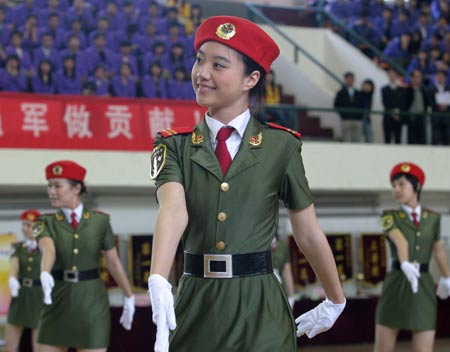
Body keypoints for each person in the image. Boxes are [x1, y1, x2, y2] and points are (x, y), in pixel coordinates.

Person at [148, 15, 345, 352]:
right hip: (198, 300)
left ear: (251, 78)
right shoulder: (173, 145)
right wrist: (158, 276)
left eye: (218, 65)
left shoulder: (281, 146)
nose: (202, 73)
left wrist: (335, 299)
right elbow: (173, 210)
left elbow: (308, 232)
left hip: (260, 304)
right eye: (200, 60)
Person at [33, 160, 135, 351]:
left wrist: (129, 296)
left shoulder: (100, 221)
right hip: (57, 299)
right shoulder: (45, 222)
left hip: (92, 302)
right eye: (49, 185)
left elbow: (112, 262)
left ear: (76, 188)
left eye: (57, 185)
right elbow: (48, 249)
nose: (51, 191)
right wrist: (45, 271)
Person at [374, 162, 450, 352]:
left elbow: (438, 249)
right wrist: (406, 263)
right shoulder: (389, 216)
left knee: (424, 348)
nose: (396, 190)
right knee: (383, 348)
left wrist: (447, 276)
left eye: (401, 184)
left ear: (416, 186)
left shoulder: (433, 219)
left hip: (423, 284)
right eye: (393, 186)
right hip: (397, 281)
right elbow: (400, 240)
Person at [6, 210, 43, 352]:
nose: (25, 228)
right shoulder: (18, 247)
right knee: (10, 345)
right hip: (20, 295)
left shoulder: (46, 248)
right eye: (24, 224)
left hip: (39, 296)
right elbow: (14, 264)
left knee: (38, 346)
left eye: (29, 225)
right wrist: (12, 278)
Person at [334, 71, 362, 142]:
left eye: (351, 78)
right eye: (348, 78)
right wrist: (343, 115)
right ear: (345, 80)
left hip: (357, 120)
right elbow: (336, 105)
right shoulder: (340, 92)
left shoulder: (358, 93)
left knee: (357, 139)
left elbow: (362, 105)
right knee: (346, 140)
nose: (349, 80)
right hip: (346, 119)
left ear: (353, 80)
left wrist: (359, 115)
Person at [271, 235, 296, 308]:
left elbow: (287, 273)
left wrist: (291, 297)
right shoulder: (254, 244)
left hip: (278, 288)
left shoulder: (282, 246)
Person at [381, 68, 404, 144]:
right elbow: (385, 103)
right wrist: (392, 113)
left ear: (396, 76)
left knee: (398, 139)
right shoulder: (384, 89)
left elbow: (402, 103)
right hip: (388, 117)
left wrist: (397, 112)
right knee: (387, 139)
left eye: (393, 74)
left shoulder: (401, 89)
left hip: (398, 117)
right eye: (390, 74)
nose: (392, 76)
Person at [357, 78, 375, 143]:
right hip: (358, 118)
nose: (367, 87)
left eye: (369, 86)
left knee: (369, 137)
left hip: (366, 118)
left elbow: (368, 108)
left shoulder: (370, 96)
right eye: (366, 85)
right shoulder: (358, 94)